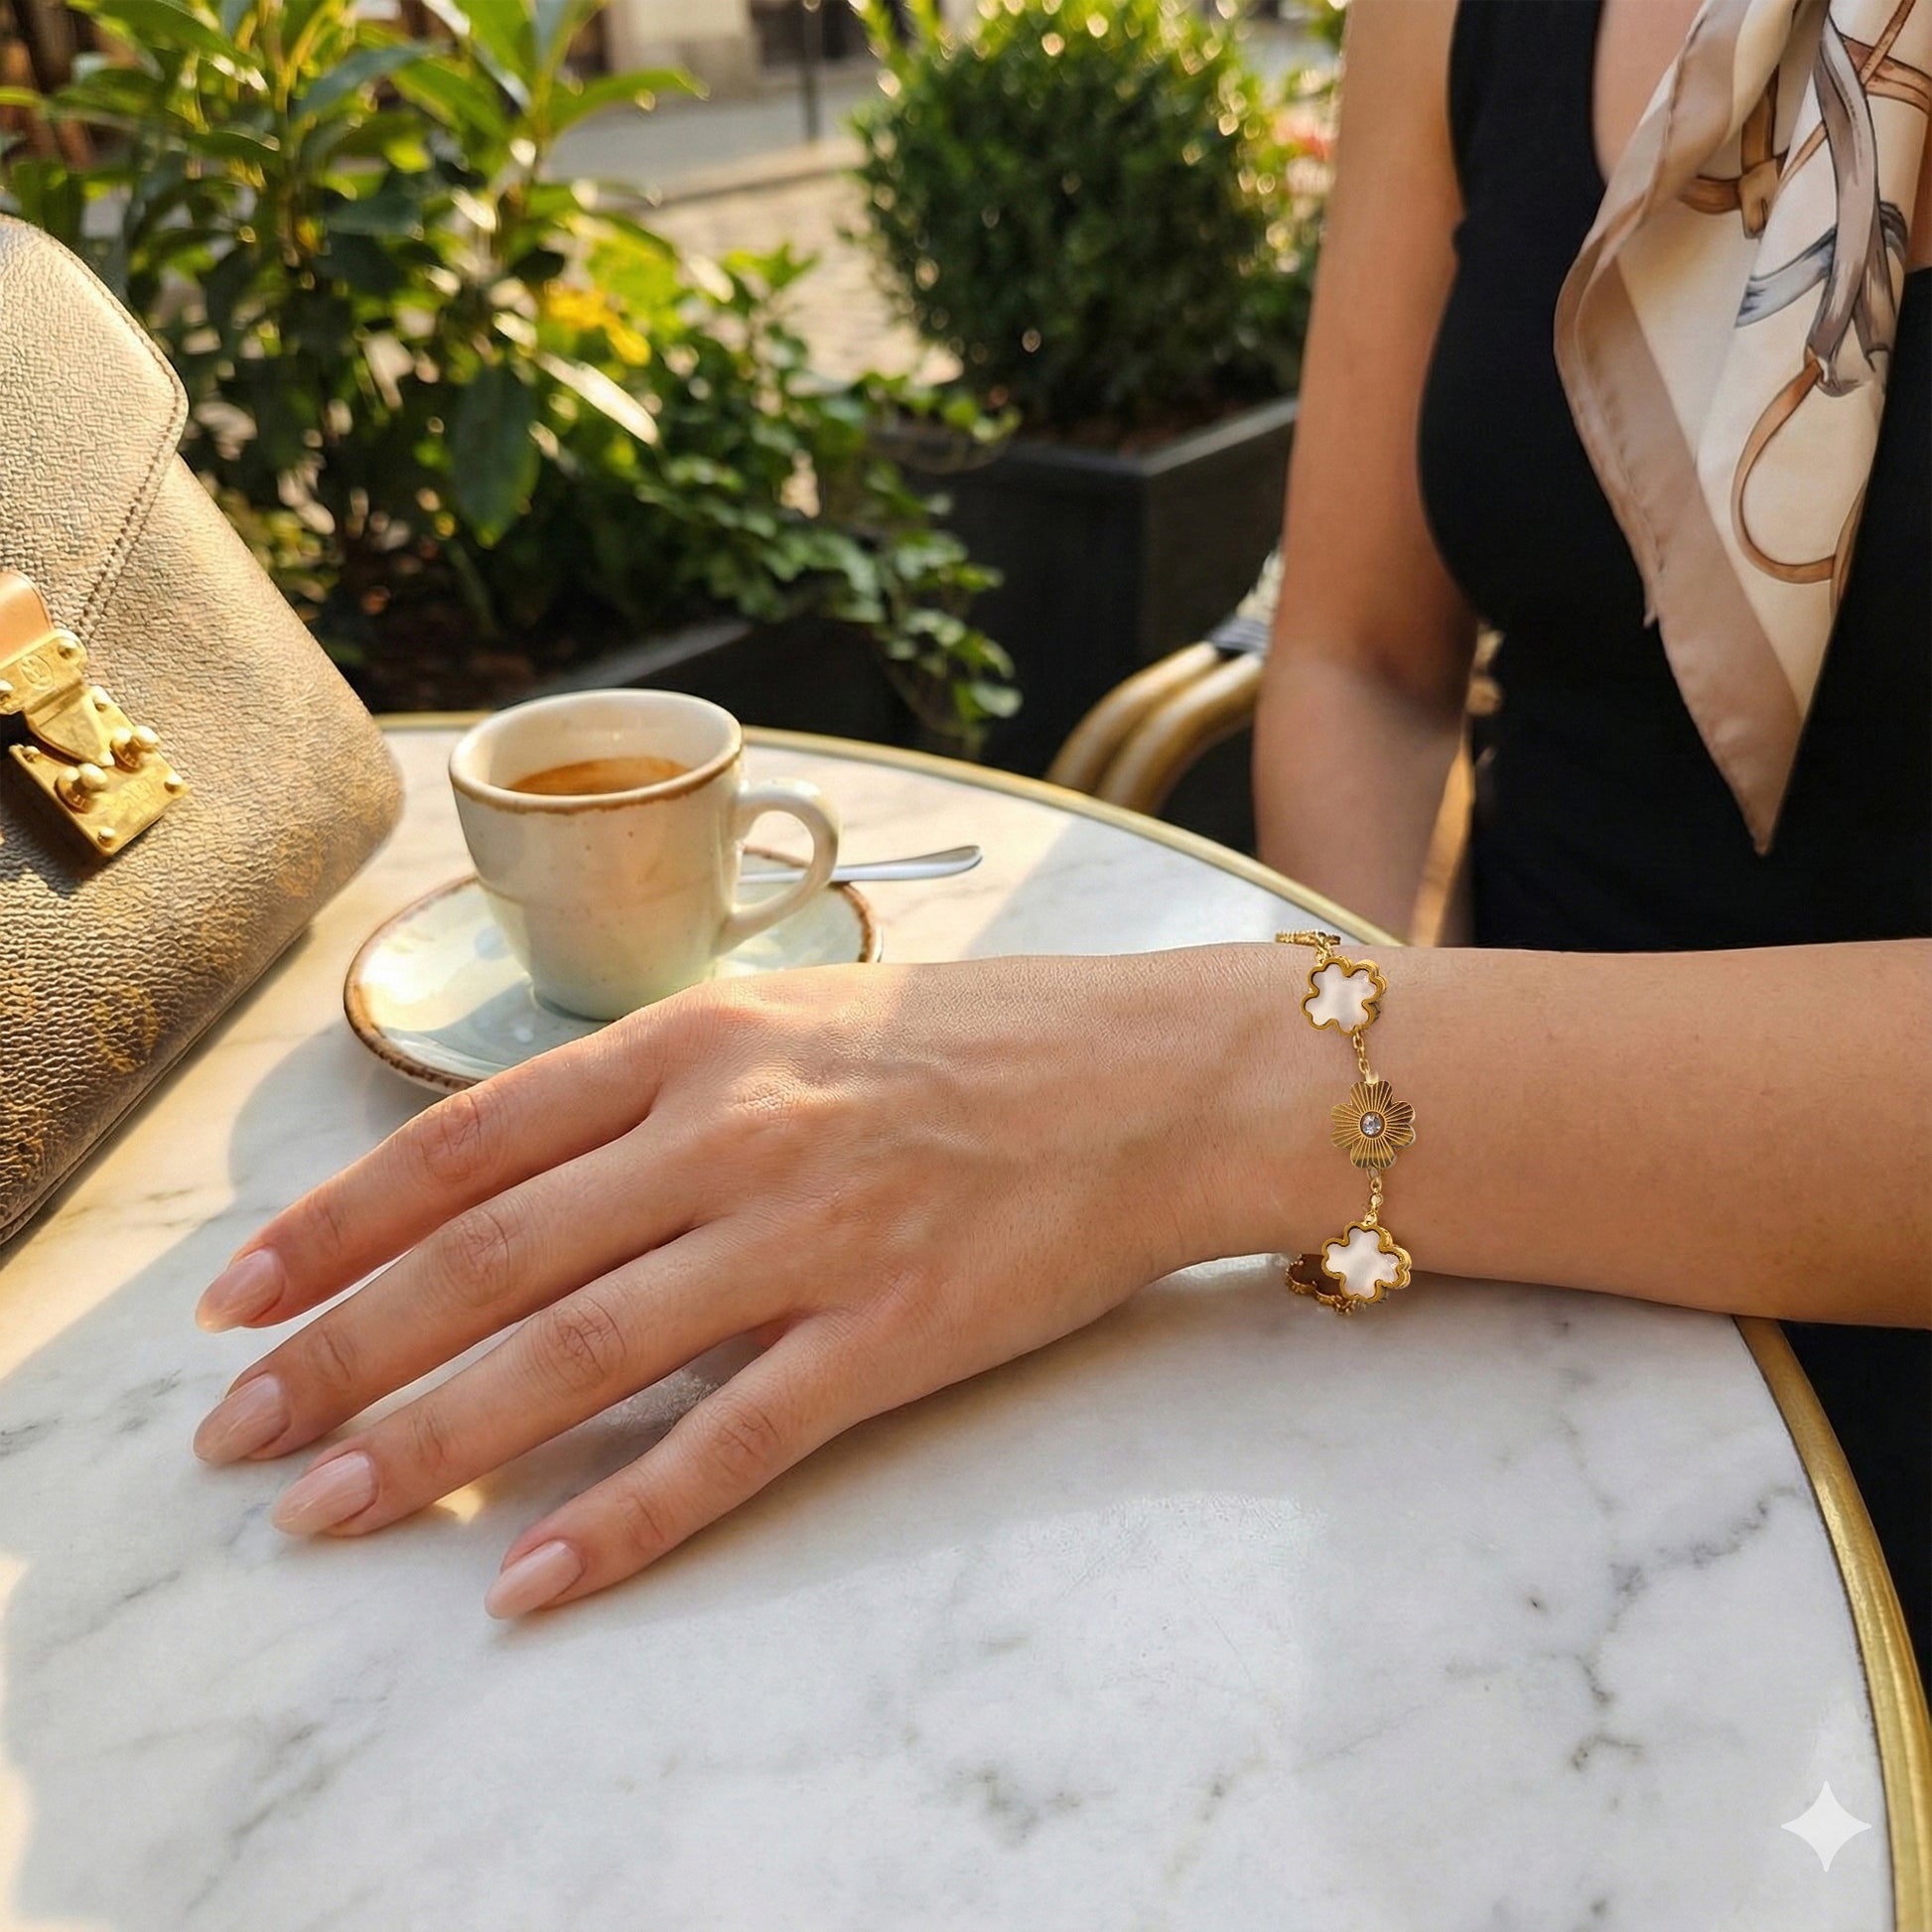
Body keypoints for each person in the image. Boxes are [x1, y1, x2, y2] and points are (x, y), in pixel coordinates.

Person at [192, 0, 1930, 1658]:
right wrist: (1368, 1151)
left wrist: (1259, 1094)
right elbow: (1359, 659)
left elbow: (1288, 1073)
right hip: (1496, 1254)